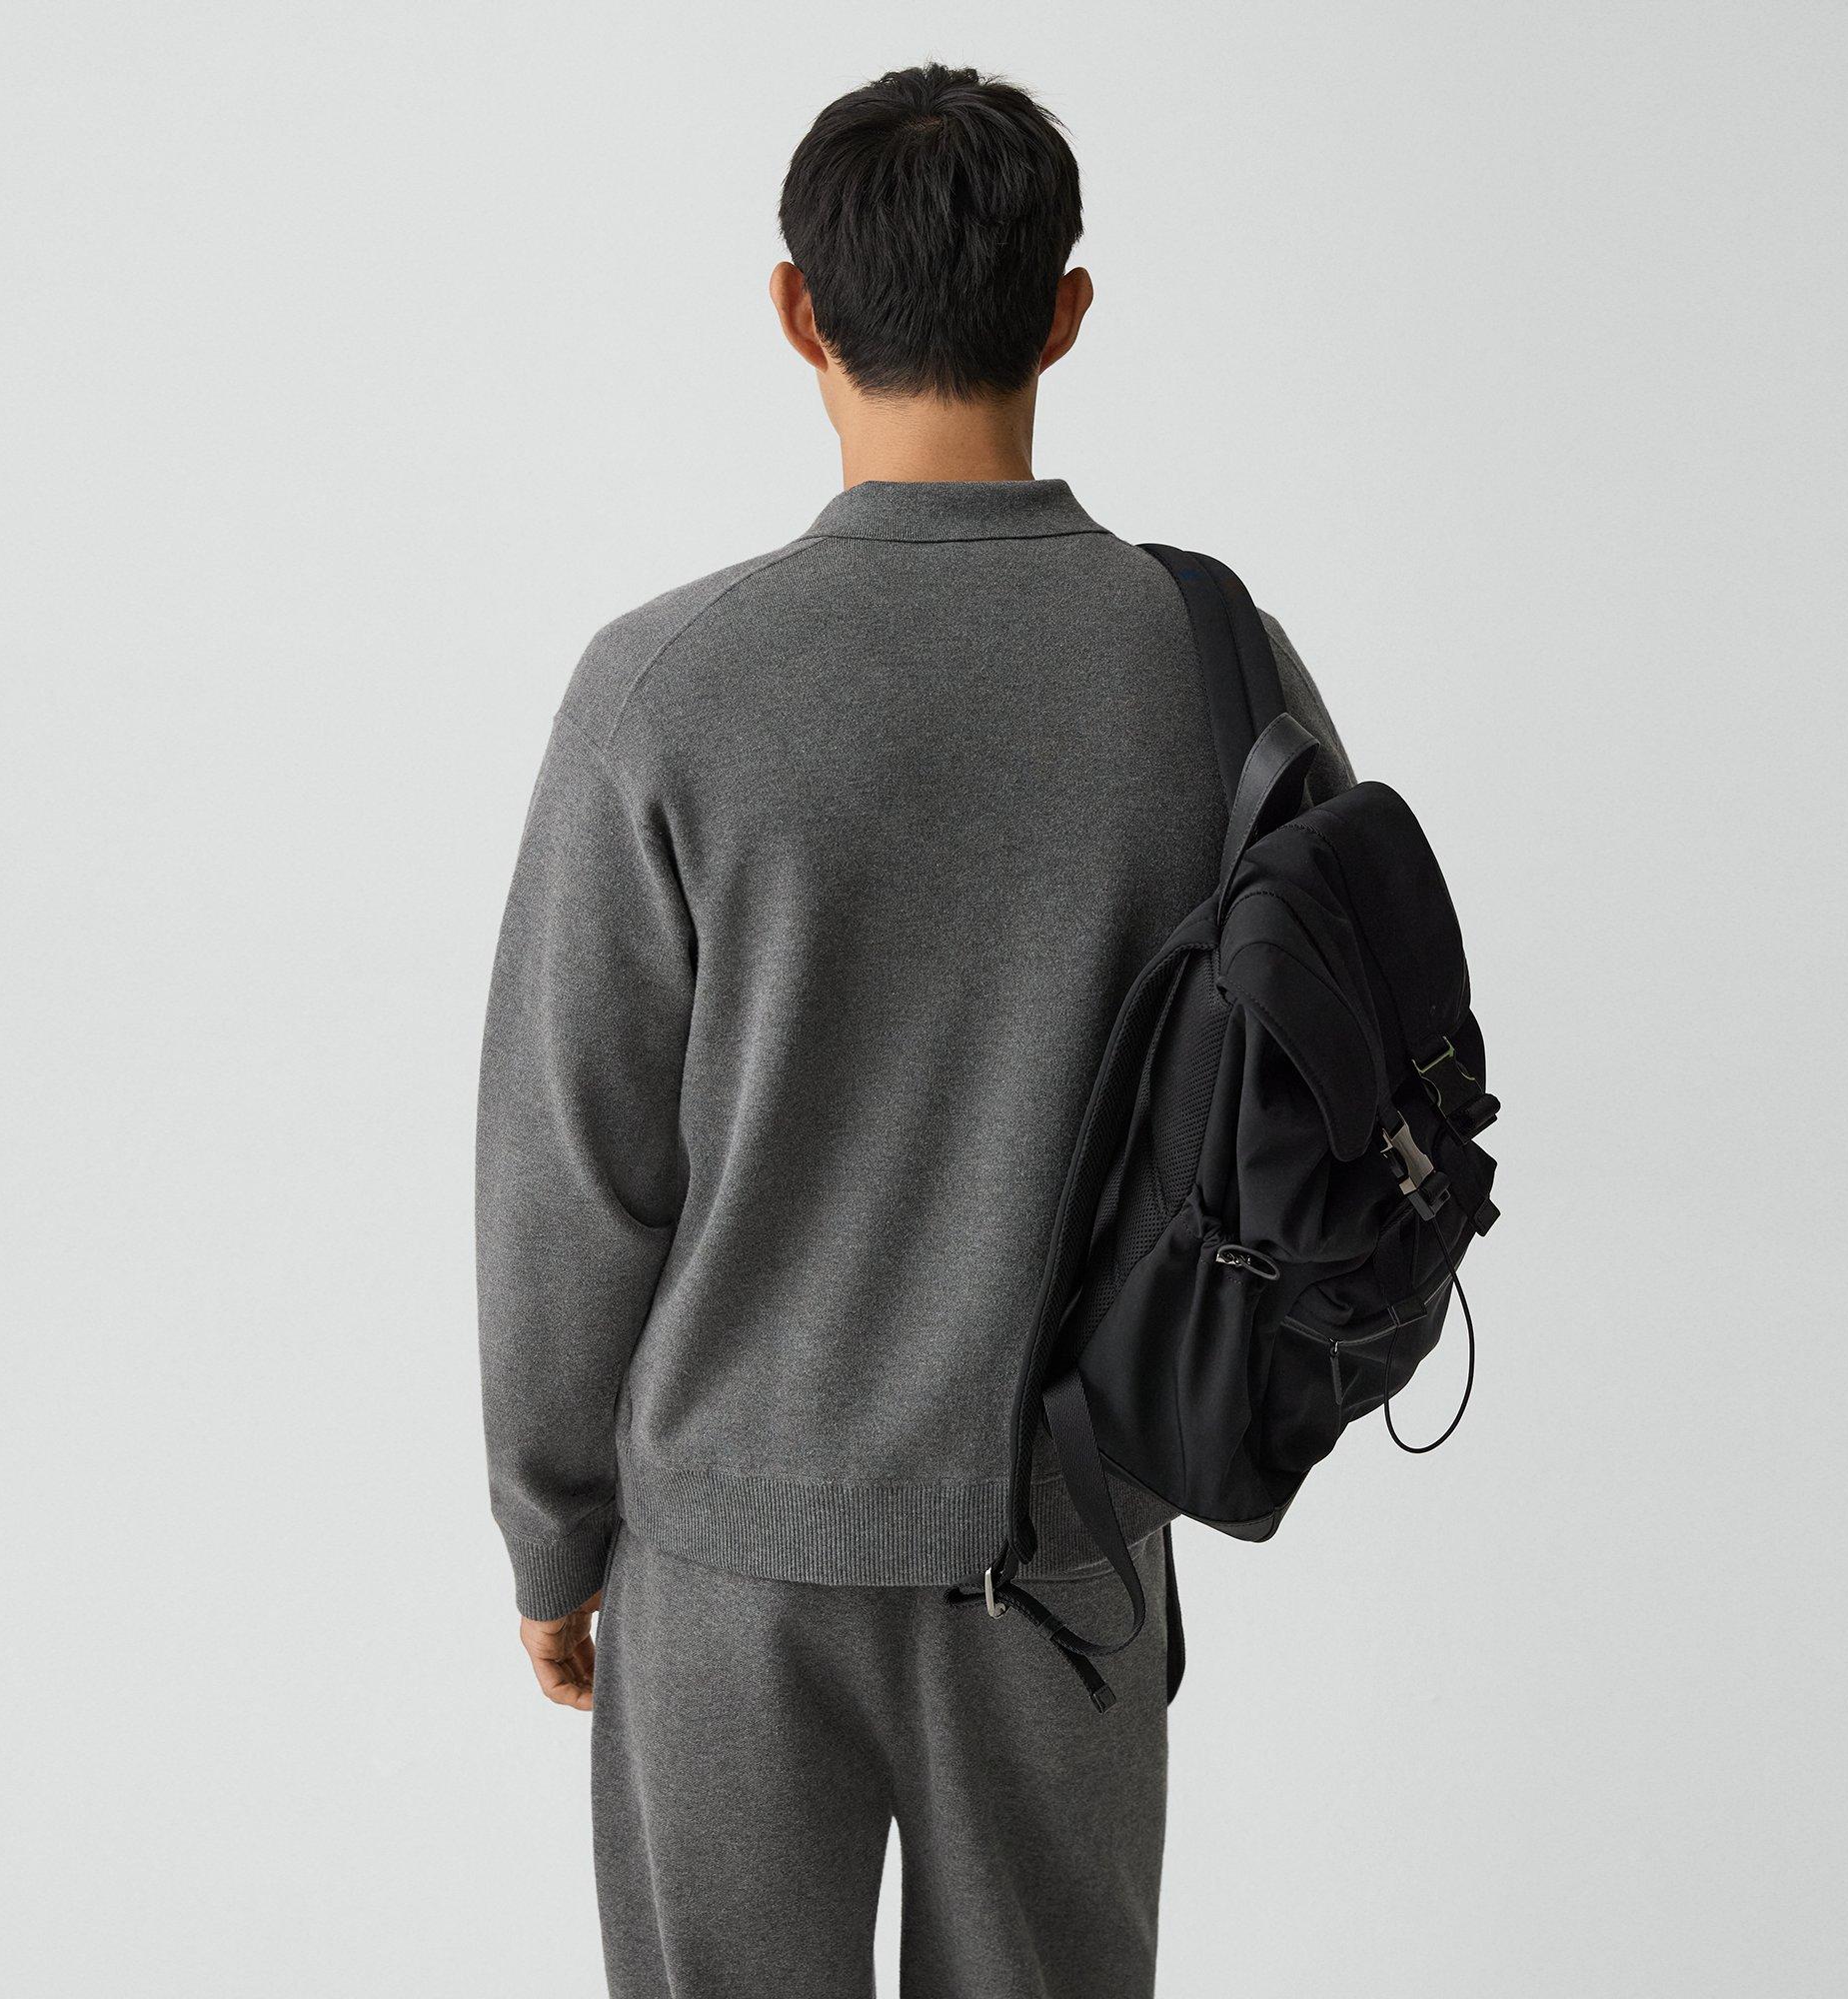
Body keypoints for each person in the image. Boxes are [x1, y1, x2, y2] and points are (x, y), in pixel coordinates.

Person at [478, 61, 1353, 1998]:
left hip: (728, 1553)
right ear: (1066, 311)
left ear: (798, 309)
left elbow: (572, 1165)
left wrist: (553, 1529)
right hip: (1070, 1543)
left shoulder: (665, 688)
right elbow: (1313, 1103)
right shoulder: (1217, 669)